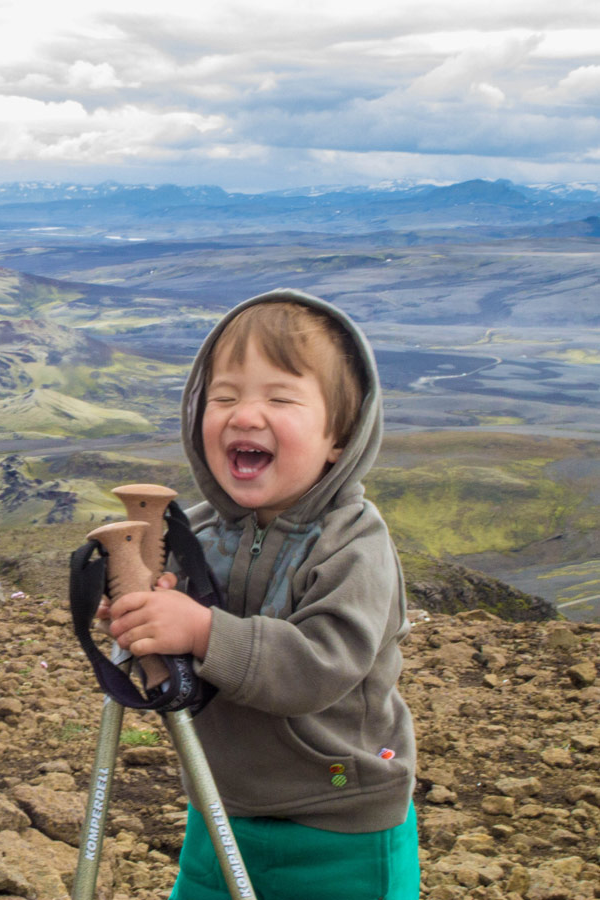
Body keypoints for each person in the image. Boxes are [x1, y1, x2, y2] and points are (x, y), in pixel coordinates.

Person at [105, 288, 419, 900]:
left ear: (340, 437)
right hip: (221, 806)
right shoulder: (192, 535)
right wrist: (143, 619)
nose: (245, 415)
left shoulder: (355, 545)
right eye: (223, 396)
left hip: (339, 826)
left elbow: (319, 666)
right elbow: (176, 667)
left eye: (280, 397)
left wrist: (199, 630)